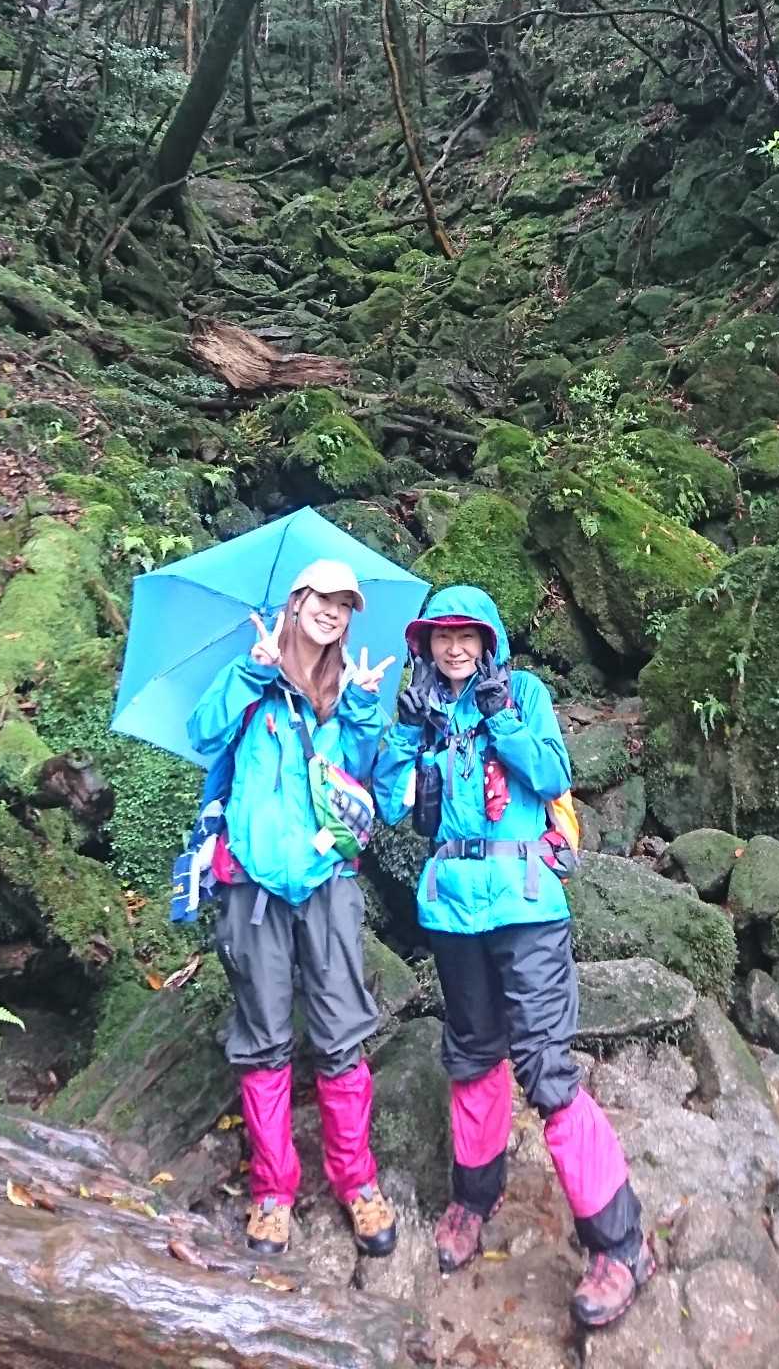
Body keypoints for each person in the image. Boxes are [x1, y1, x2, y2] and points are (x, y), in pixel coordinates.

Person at [373, 583, 654, 1330]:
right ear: (425, 645)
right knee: (471, 1056)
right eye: (441, 636)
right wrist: (405, 731)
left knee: (547, 1071)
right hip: (452, 907)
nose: (454, 648)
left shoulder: (523, 693)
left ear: (488, 641)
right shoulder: (423, 710)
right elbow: (392, 802)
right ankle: (474, 1197)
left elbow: (553, 776)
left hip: (526, 904)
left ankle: (620, 1244)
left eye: (466, 635)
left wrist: (500, 716)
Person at [186, 557, 398, 1261]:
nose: (333, 612)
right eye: (323, 598)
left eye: (345, 604)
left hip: (327, 883)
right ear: (297, 601)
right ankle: (273, 1193)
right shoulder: (252, 679)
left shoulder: (345, 688)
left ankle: (357, 1183)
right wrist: (251, 673)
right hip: (252, 886)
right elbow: (202, 733)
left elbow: (364, 779)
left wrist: (360, 707)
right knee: (263, 1039)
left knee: (340, 1035)